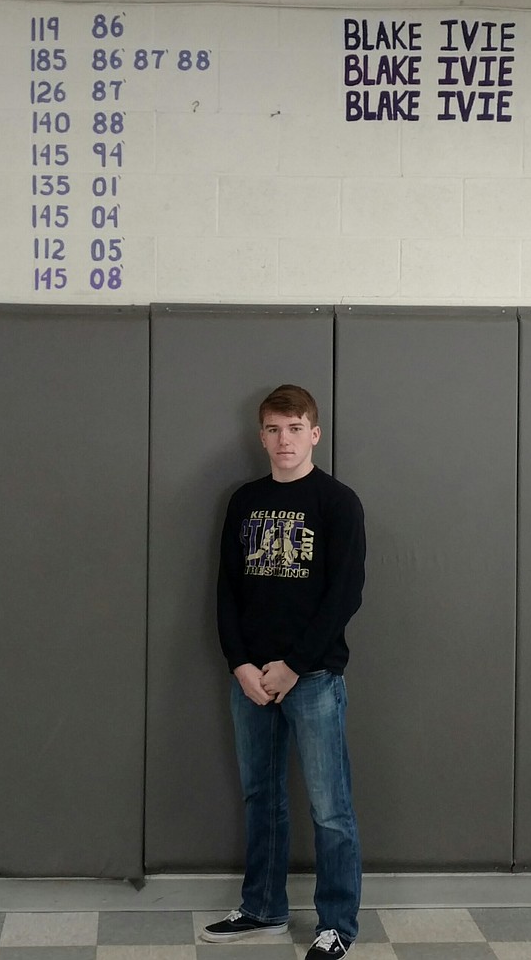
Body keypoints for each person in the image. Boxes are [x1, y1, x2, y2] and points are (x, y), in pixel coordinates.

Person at [201, 384, 366, 960]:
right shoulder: (244, 501)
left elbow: (345, 595)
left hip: (313, 678)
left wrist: (293, 667)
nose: (284, 440)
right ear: (261, 435)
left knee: (330, 806)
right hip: (250, 681)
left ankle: (337, 925)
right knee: (260, 796)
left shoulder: (338, 502)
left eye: (295, 428)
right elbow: (226, 590)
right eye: (273, 429)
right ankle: (263, 907)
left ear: (314, 433)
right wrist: (241, 664)